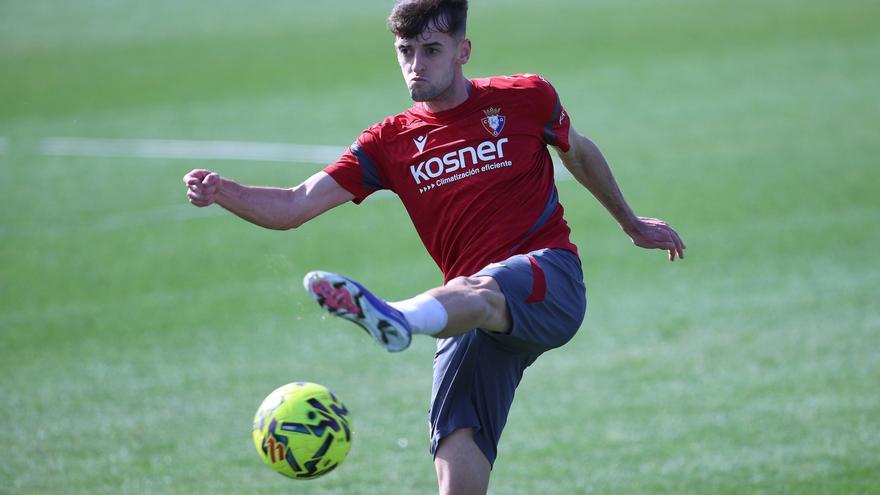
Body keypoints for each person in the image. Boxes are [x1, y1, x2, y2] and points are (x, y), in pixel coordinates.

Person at [183, 0, 685, 493]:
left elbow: (578, 150)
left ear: (463, 51)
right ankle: (405, 320)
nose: (416, 65)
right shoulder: (388, 142)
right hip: (461, 316)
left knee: (484, 286)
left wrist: (630, 222)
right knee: (457, 456)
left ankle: (397, 319)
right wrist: (223, 191)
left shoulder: (527, 96)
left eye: (431, 50)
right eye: (406, 51)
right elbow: (293, 207)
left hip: (547, 279)